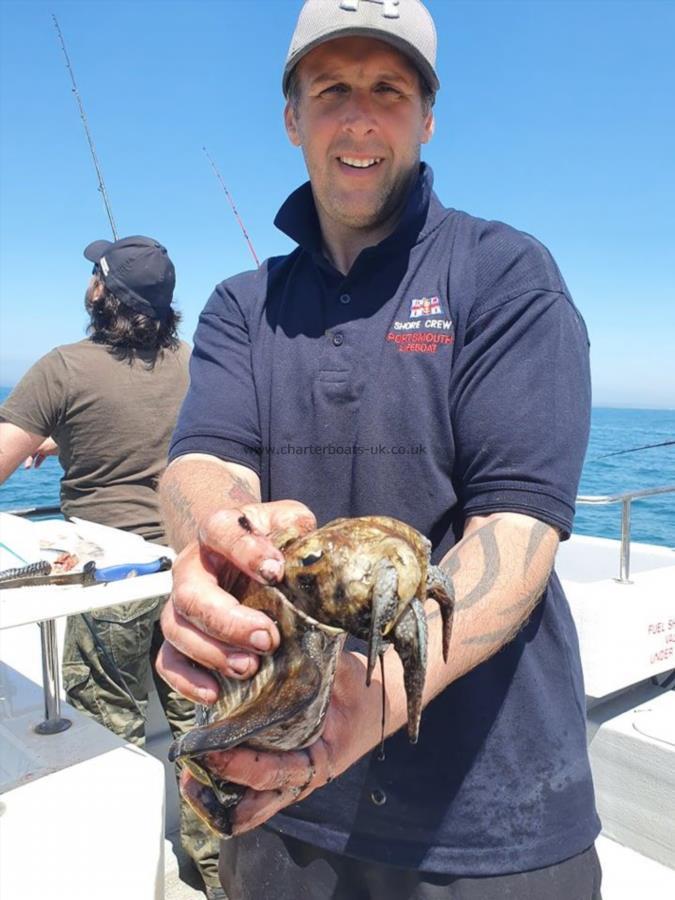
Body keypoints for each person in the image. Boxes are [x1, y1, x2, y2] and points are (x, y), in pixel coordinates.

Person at [156, 1, 602, 898]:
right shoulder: (243, 305)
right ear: (292, 117)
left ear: (426, 116)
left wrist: (373, 703)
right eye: (331, 89)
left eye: (388, 89)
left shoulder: (504, 272)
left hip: (492, 818)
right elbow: (207, 457)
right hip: (279, 796)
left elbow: (517, 527)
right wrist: (215, 540)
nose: (359, 115)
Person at [0, 235, 224, 899]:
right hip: (193, 575)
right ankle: (216, 880)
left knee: (114, 740)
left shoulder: (62, 368)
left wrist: (51, 426)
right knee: (206, 741)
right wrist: (58, 436)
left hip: (112, 585)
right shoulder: (203, 365)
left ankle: (128, 878)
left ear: (102, 293)